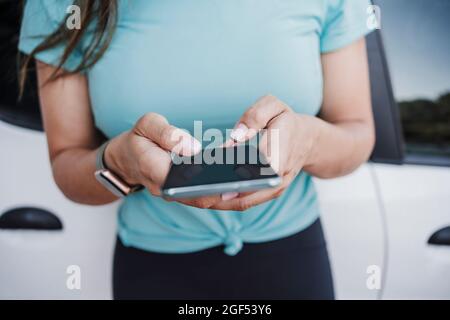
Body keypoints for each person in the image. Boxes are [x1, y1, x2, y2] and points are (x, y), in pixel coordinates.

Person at [19, 0, 375, 299]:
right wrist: (120, 164)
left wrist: (307, 140)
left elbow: (357, 133)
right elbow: (67, 163)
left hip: (293, 258)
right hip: (155, 271)